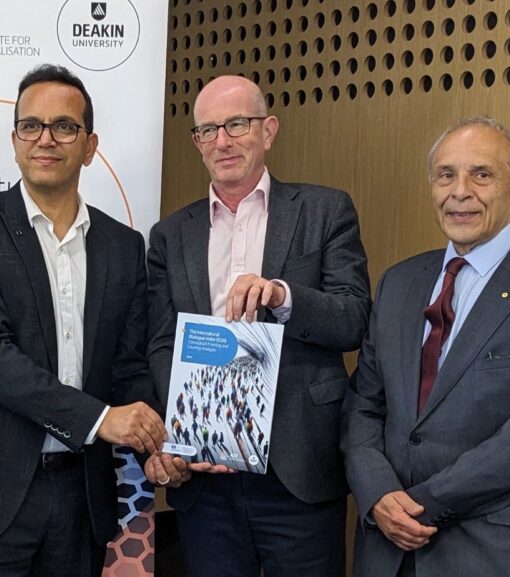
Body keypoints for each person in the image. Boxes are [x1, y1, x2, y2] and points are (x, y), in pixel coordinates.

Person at [341, 116, 510, 577]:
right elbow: (364, 404)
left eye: (481, 174)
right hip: (388, 552)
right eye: (445, 174)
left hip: (501, 552)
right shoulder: (399, 283)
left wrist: (420, 504)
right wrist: (377, 493)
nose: (459, 191)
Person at [0, 64, 165, 577]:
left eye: (64, 126)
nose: (46, 139)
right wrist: (103, 419)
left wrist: (159, 435)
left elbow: (128, 367)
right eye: (31, 126)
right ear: (14, 140)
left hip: (83, 499)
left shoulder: (124, 247)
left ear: (89, 145)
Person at [145, 75, 371, 576]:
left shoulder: (324, 210)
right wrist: (182, 433)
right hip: (206, 478)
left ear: (268, 131)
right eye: (208, 130)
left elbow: (355, 318)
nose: (222, 141)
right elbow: (161, 343)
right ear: (197, 143)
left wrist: (284, 297)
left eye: (237, 124)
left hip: (298, 470)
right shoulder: (170, 234)